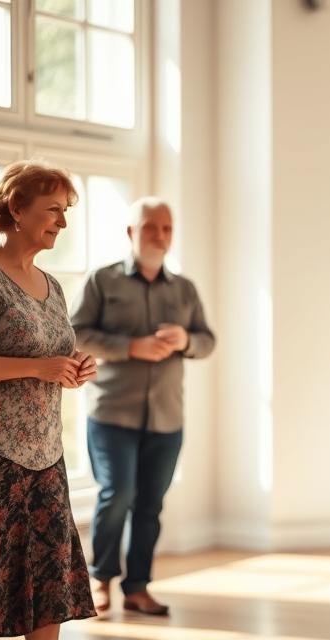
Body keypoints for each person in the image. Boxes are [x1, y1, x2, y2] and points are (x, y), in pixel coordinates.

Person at [70, 197, 216, 615]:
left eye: (167, 228)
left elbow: (207, 341)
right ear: (131, 232)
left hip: (168, 417)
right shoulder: (102, 281)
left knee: (150, 505)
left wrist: (185, 341)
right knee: (117, 494)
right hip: (113, 413)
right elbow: (76, 333)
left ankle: (138, 588)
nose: (161, 236)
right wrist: (131, 347)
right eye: (151, 227)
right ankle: (100, 579)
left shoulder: (185, 289)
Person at [0, 161, 97, 639]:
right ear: (17, 208)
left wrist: (75, 367)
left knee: (49, 597)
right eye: (53, 209)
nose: (63, 222)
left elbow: (53, 356)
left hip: (47, 457)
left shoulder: (53, 286)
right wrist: (39, 368)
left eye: (66, 211)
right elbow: (35, 362)